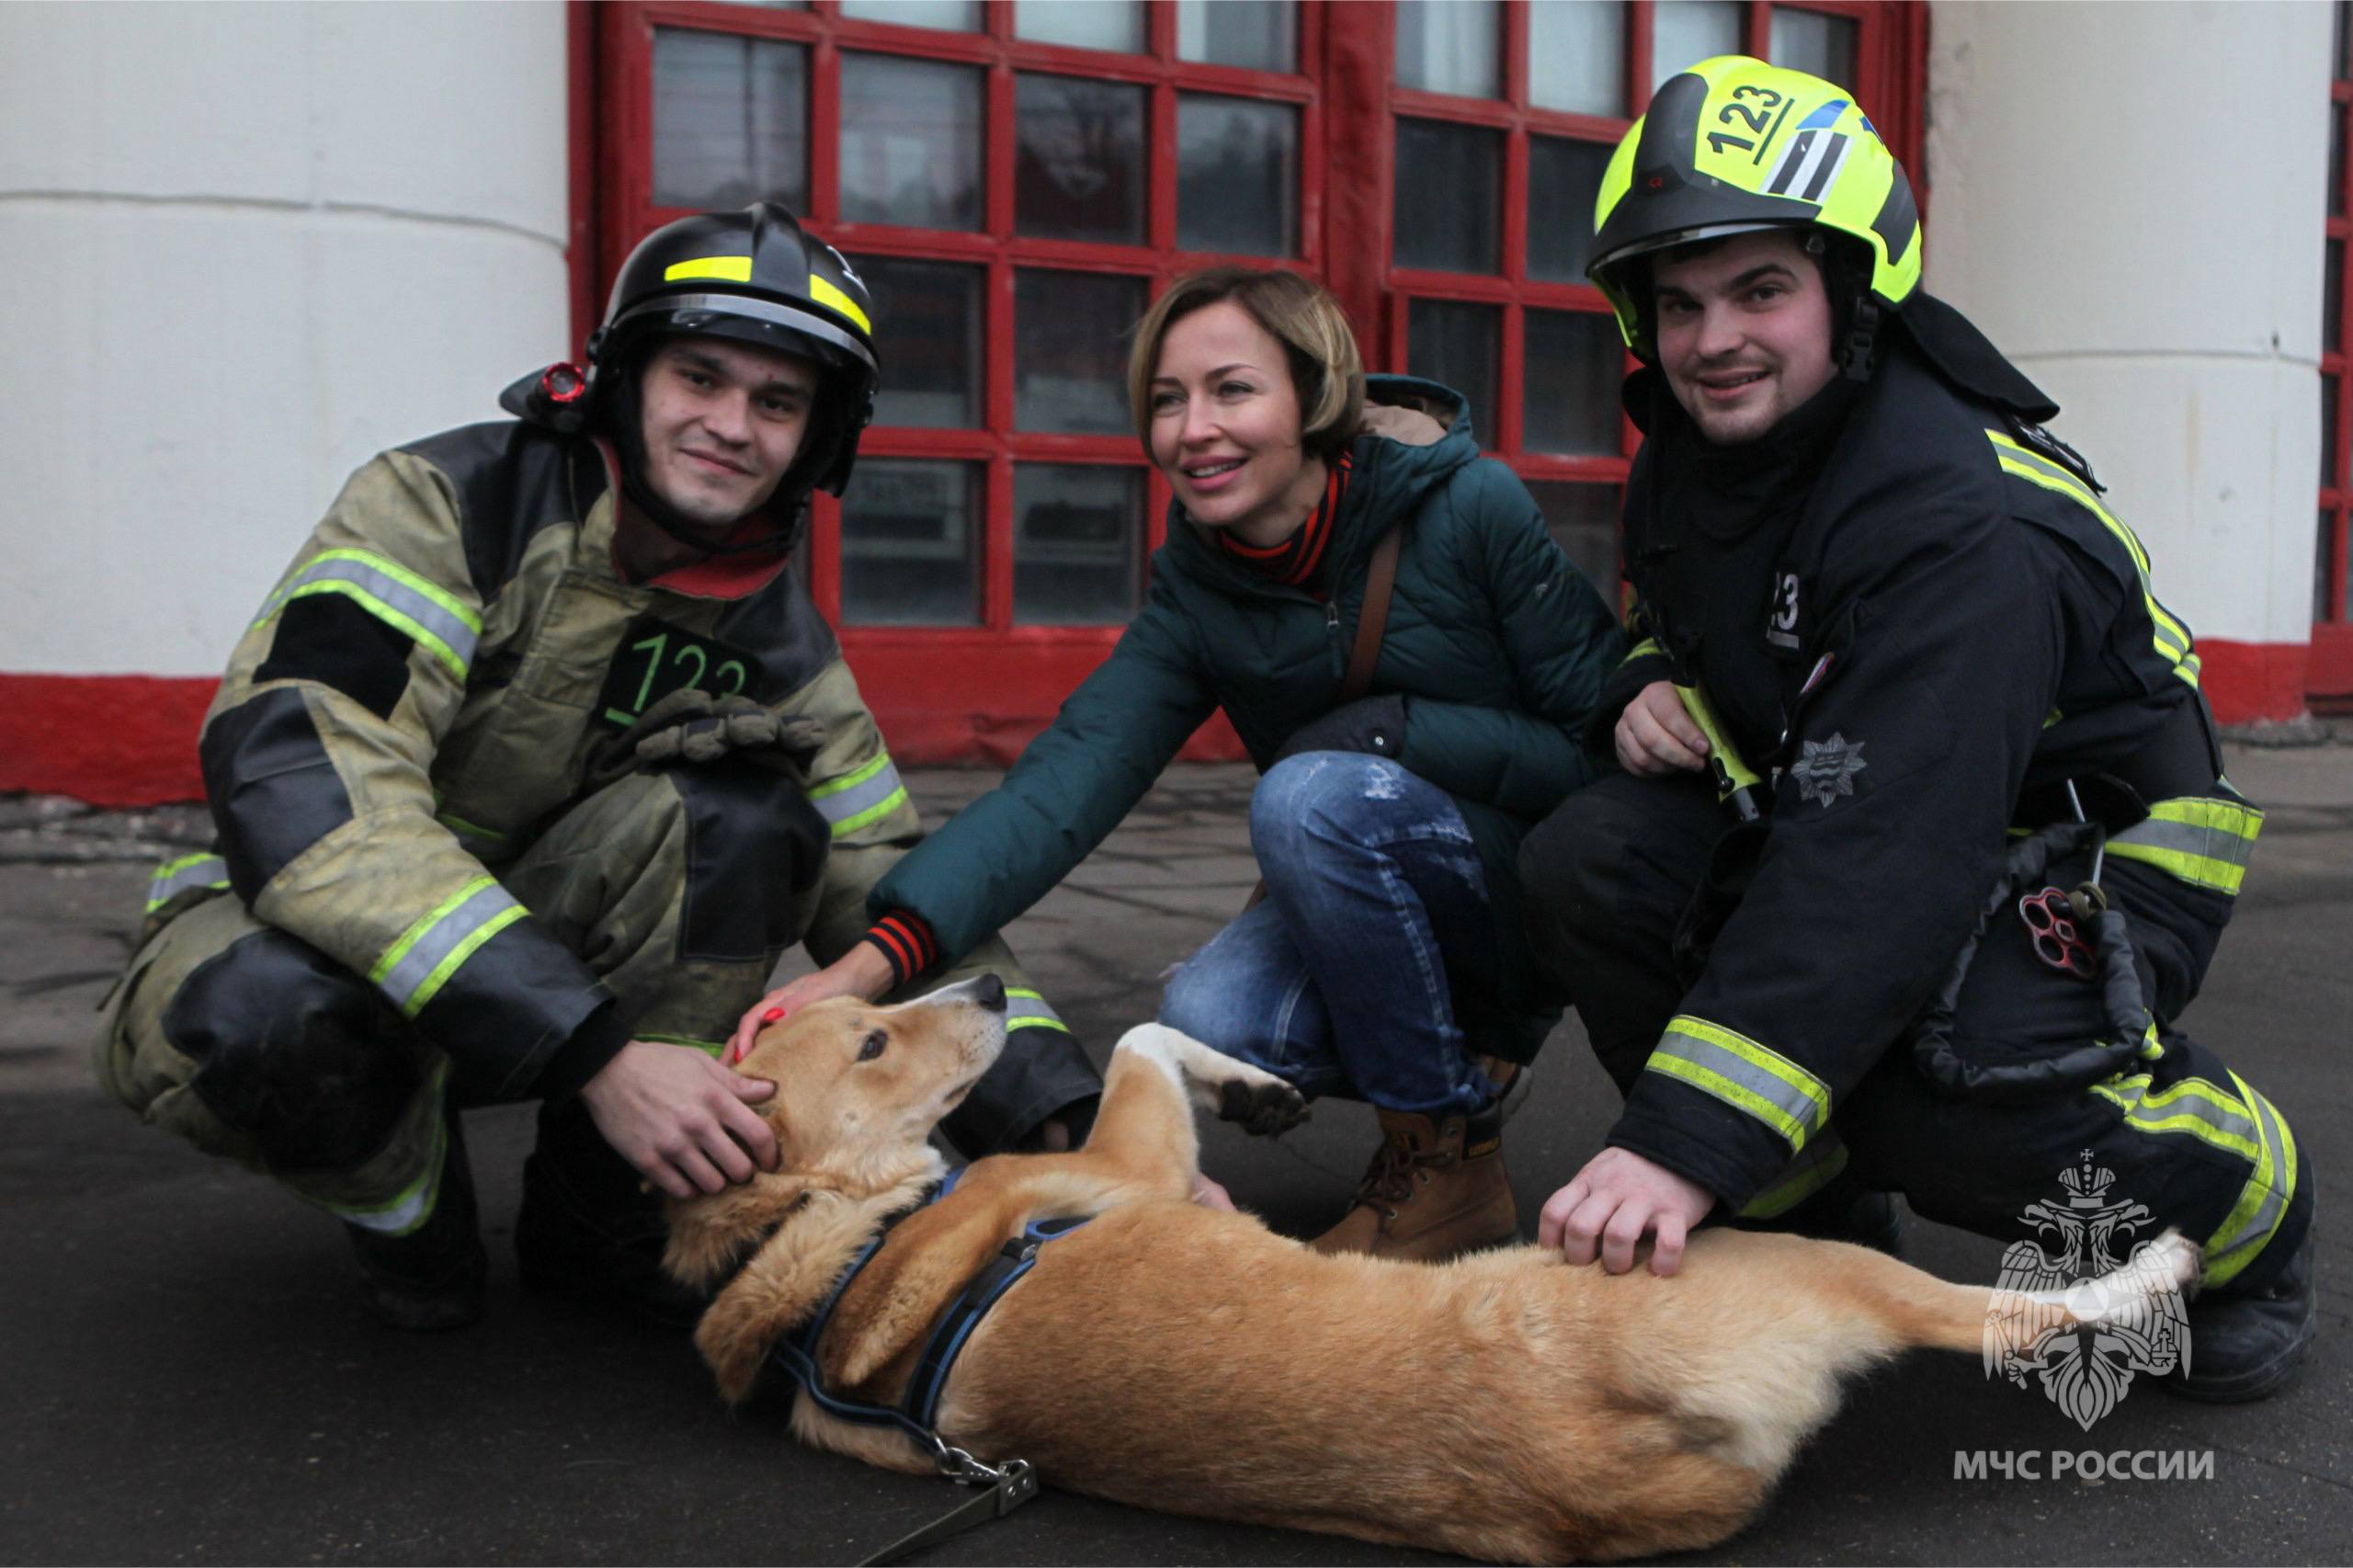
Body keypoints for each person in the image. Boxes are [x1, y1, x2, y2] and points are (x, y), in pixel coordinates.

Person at [95, 203, 1099, 1331]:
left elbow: (885, 881)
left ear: (818, 438)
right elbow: (309, 798)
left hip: (538, 980)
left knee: (752, 818)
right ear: (624, 377)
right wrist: (596, 1047)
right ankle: (408, 1219)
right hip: (304, 943)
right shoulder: (441, 507)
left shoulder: (778, 640)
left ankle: (603, 1218)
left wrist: (1066, 1121)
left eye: (777, 402)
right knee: (268, 1014)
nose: (731, 424)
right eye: (700, 377)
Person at [1518, 57, 2313, 1400]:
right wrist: (1637, 679)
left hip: (2099, 837)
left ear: (1851, 290)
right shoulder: (1707, 452)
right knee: (1590, 859)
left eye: (1762, 290)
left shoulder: (1959, 523)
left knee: (1934, 1076)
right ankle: (1802, 1202)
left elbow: (1883, 864)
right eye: (1682, 301)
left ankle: (2241, 1208)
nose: (1715, 339)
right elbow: (1696, 625)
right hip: (1879, 803)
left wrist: (1680, 1139)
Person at [733, 267, 1623, 1262]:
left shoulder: (1472, 507)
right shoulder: (1202, 578)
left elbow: (1596, 747)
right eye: (1166, 399)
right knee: (1215, 1026)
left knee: (1306, 795)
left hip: (1522, 889)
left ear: (1313, 395)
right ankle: (1469, 1083)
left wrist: (1396, 730)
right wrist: (861, 968)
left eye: (1232, 389)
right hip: (1366, 870)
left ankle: (1442, 1145)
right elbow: (1067, 780)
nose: (1192, 427)